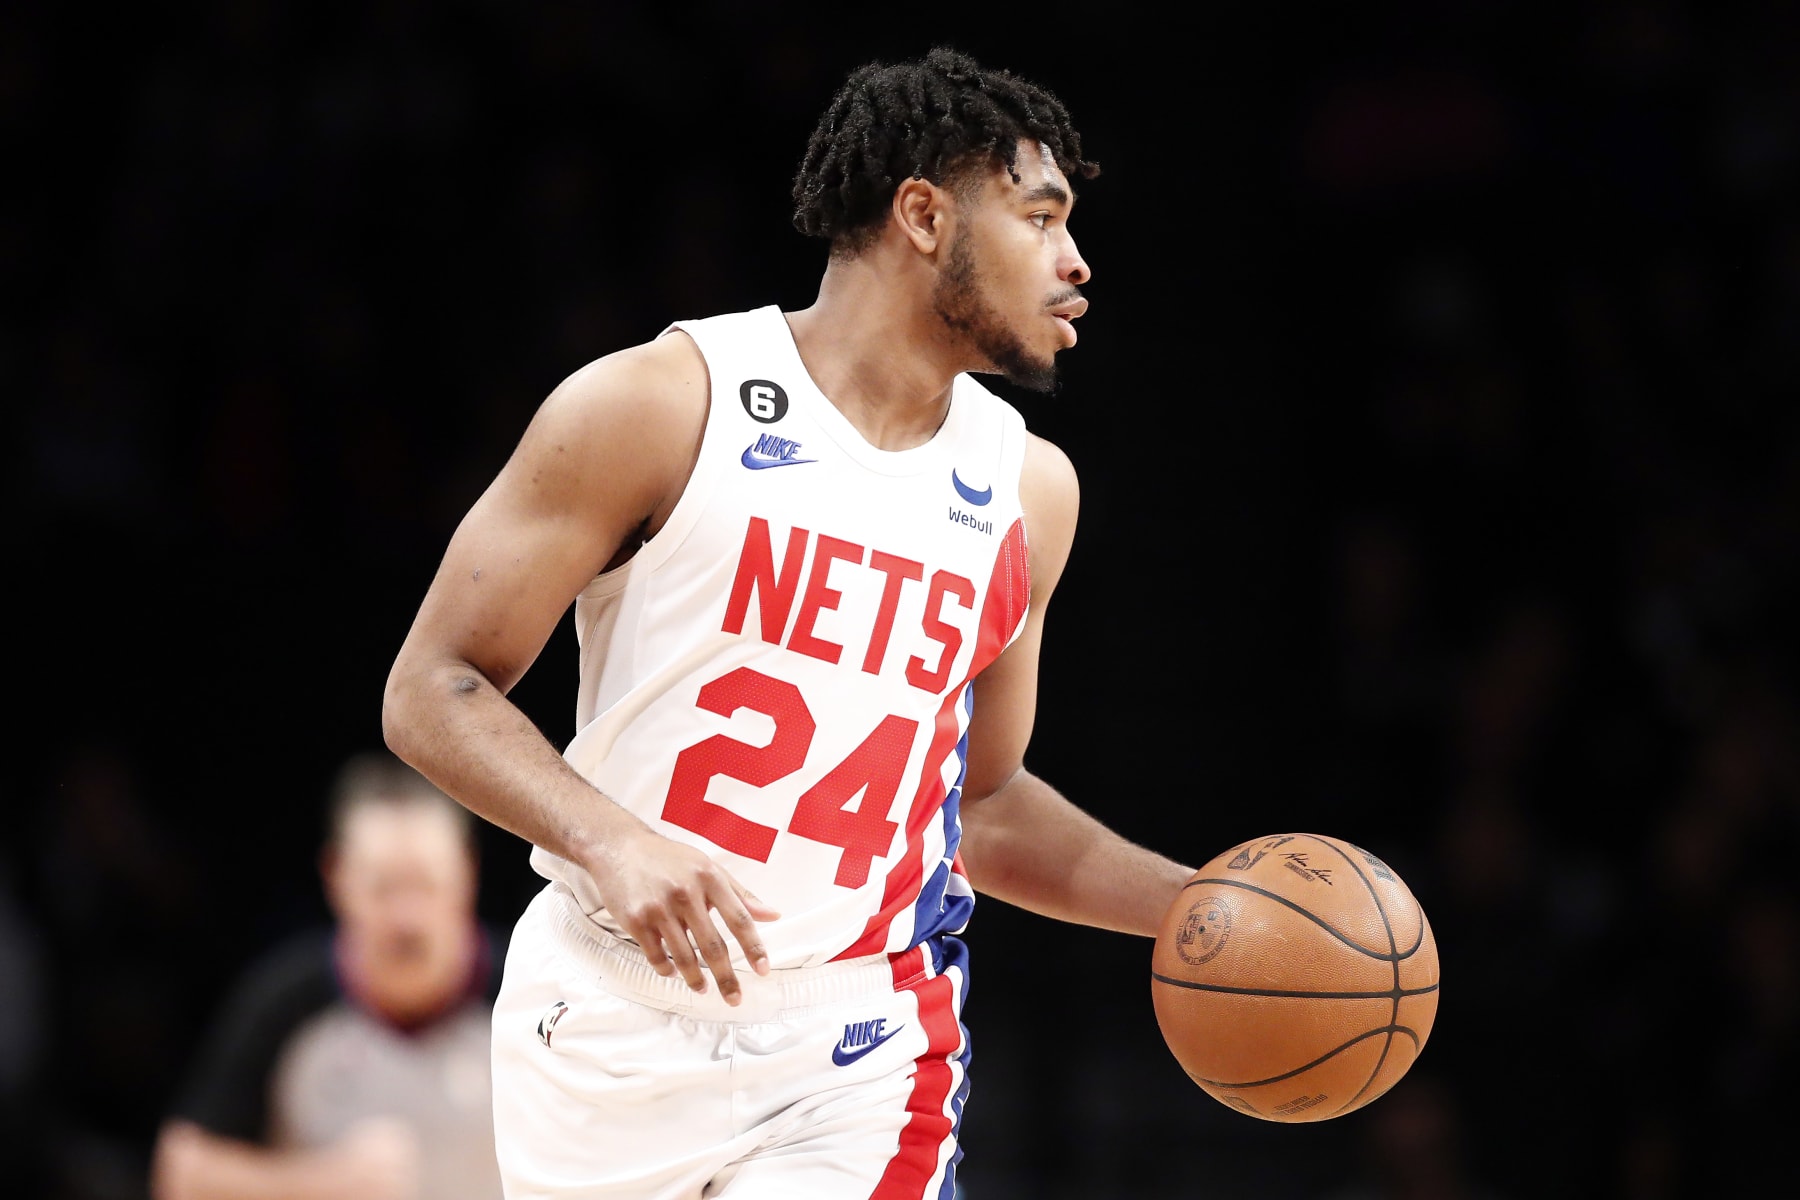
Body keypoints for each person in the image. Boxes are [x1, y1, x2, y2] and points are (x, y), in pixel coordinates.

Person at [382, 46, 1194, 1199]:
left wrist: (1190, 906)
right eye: (1040, 217)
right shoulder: (661, 404)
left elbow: (980, 804)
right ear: (921, 214)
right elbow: (432, 688)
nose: (1076, 265)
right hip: (606, 1014)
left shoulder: (1030, 491)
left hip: (860, 1042)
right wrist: (610, 839)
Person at [150, 751, 505, 1200]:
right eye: (383, 888)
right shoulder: (284, 1000)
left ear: (468, 872)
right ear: (336, 877)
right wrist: (317, 1184)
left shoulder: (525, 993)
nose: (406, 919)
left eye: (425, 884)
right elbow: (180, 1174)